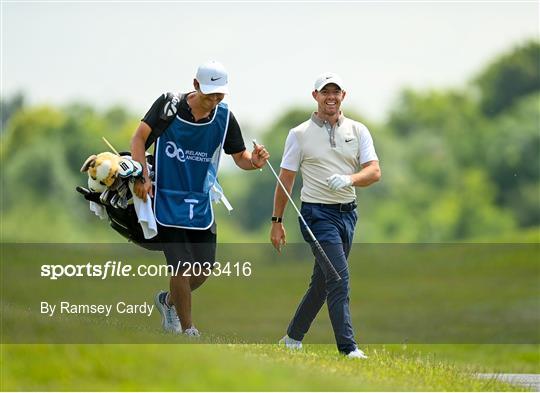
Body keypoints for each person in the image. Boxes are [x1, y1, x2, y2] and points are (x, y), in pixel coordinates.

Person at [131, 60, 269, 336]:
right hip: (166, 199)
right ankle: (188, 329)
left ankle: (167, 301)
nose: (214, 101)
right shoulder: (169, 105)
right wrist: (141, 176)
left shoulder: (225, 117)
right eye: (209, 95)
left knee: (203, 269)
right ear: (195, 86)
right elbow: (139, 138)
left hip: (200, 202)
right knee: (180, 268)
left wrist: (254, 161)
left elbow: (240, 157)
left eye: (220, 96)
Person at [270, 72, 380, 358]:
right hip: (316, 215)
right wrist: (277, 222)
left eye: (336, 91)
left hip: (348, 214)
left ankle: (292, 338)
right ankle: (348, 348)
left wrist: (350, 180)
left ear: (343, 95)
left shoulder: (358, 131)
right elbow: (286, 179)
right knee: (338, 277)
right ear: (315, 96)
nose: (330, 96)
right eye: (324, 92)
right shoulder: (299, 134)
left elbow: (374, 171)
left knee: (323, 282)